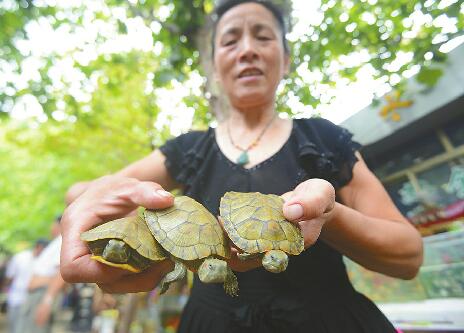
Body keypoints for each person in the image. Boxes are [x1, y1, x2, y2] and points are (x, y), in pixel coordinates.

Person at [60, 0, 424, 332]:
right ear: (215, 64)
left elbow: (409, 256)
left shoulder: (324, 140)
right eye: (231, 40)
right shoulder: (189, 149)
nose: (247, 49)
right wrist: (87, 203)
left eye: (262, 36)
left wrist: (330, 216)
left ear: (286, 59)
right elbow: (83, 192)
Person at [17, 215, 66, 333]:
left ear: (59, 224)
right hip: (37, 294)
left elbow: (61, 273)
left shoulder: (62, 241)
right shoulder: (55, 242)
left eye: (53, 224)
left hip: (42, 294)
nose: (51, 228)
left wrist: (47, 302)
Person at [4, 238, 48, 333]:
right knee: (13, 325)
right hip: (15, 298)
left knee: (24, 328)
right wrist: (6, 291)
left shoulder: (44, 261)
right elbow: (9, 277)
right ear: (38, 247)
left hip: (31, 301)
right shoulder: (20, 257)